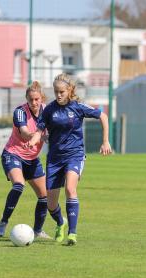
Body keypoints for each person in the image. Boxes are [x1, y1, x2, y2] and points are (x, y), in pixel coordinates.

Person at [28, 73, 112, 245]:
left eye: (62, 92)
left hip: (75, 155)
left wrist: (105, 141)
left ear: (70, 90)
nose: (58, 95)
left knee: (70, 189)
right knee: (51, 204)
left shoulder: (78, 107)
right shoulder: (49, 110)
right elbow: (39, 130)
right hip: (54, 159)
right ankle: (61, 222)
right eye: (56, 92)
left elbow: (103, 116)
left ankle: (72, 233)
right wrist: (33, 140)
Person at [0, 81, 51, 240]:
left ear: (41, 98)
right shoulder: (20, 111)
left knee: (44, 195)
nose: (34, 103)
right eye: (31, 99)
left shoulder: (47, 111)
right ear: (27, 99)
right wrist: (42, 136)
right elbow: (25, 133)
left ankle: (38, 230)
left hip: (32, 159)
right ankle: (3, 222)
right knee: (19, 185)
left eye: (37, 99)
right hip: (13, 154)